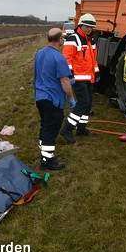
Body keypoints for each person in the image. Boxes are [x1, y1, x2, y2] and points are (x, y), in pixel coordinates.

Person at [34, 28, 76, 170]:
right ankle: (47, 161)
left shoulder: (39, 53)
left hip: (40, 96)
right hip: (53, 99)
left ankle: (43, 149)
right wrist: (71, 98)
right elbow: (64, 80)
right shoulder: (59, 57)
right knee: (51, 130)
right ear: (59, 39)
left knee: (45, 125)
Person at [59, 13, 99, 143]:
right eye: (86, 26)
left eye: (91, 27)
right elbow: (67, 58)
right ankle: (67, 129)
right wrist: (70, 75)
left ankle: (81, 129)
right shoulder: (73, 38)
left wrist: (96, 72)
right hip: (78, 78)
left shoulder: (90, 40)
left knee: (87, 104)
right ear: (80, 25)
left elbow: (93, 59)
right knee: (82, 103)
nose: (88, 29)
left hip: (89, 77)